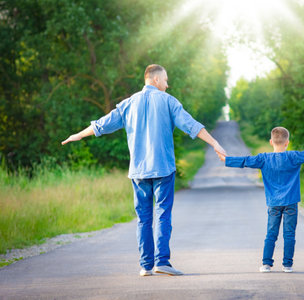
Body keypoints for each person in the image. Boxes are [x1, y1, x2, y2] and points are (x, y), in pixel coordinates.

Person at [62, 64, 226, 276]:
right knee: (163, 215)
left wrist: (79, 135)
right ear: (156, 80)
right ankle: (162, 262)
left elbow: (102, 125)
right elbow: (191, 125)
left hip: (139, 172)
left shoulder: (128, 103)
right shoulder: (168, 101)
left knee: (144, 218)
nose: (167, 85)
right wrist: (215, 143)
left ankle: (146, 266)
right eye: (166, 80)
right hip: (163, 169)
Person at [218, 127, 304, 273]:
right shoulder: (293, 156)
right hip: (291, 202)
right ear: (287, 143)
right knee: (289, 234)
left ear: (271, 142)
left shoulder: (263, 159)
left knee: (271, 234)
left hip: (273, 203)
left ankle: (266, 264)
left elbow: (246, 161)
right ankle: (287, 265)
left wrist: (227, 160)